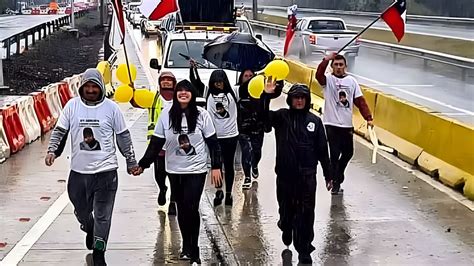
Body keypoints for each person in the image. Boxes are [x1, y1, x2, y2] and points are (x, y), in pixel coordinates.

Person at [45, 68, 138, 266]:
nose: (90, 90)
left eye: (94, 86)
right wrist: (52, 151)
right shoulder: (72, 106)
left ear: (100, 88)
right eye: (87, 86)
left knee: (103, 215)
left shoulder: (111, 108)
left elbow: (123, 136)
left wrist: (130, 160)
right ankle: (89, 227)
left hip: (106, 172)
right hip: (79, 173)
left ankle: (99, 252)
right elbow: (60, 131)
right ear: (82, 88)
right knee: (81, 210)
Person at [133, 80, 222, 264]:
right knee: (181, 207)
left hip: (196, 169)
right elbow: (156, 143)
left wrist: (216, 167)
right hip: (174, 169)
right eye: (179, 91)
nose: (183, 93)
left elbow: (213, 143)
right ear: (175, 94)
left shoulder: (202, 115)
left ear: (192, 94)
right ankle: (186, 247)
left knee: (191, 206)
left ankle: (194, 247)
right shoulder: (166, 115)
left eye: (186, 91)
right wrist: (143, 164)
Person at [261, 80, 332, 264]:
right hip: (285, 176)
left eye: (302, 98)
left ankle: (304, 249)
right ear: (290, 99)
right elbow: (264, 121)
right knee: (287, 211)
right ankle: (285, 226)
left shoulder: (315, 121)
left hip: (307, 177)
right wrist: (266, 96)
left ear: (307, 100)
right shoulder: (282, 117)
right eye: (295, 98)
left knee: (306, 214)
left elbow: (323, 150)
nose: (299, 101)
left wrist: (328, 174)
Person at [315, 53, 373, 195]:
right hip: (331, 124)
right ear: (332, 66)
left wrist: (368, 117)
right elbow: (318, 75)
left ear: (345, 66)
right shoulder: (327, 80)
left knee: (348, 153)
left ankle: (338, 175)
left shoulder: (352, 81)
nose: (339, 68)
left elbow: (360, 101)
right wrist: (326, 59)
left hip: (346, 125)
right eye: (336, 65)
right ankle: (335, 183)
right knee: (334, 154)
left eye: (341, 65)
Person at [190, 62, 239, 206]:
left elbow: (247, 87)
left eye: (221, 82)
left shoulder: (233, 93)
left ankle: (229, 192)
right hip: (214, 138)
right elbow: (195, 82)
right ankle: (219, 191)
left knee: (229, 166)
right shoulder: (207, 93)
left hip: (231, 136)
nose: (219, 85)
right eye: (216, 83)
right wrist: (193, 69)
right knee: (217, 165)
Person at [130, 71, 178, 214]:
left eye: (170, 80)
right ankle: (162, 188)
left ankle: (173, 202)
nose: (167, 82)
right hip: (158, 145)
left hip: (175, 144)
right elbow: (136, 102)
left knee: (175, 176)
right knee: (159, 173)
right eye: (164, 80)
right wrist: (131, 91)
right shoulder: (154, 98)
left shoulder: (179, 98)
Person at [236, 69, 266, 189]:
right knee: (246, 151)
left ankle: (255, 165)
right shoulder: (238, 90)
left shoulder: (260, 90)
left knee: (257, 152)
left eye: (250, 76)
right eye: (245, 76)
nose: (248, 78)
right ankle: (247, 176)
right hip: (243, 127)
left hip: (258, 127)